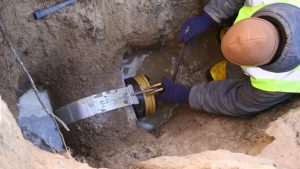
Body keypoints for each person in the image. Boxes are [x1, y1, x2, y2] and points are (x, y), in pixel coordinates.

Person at [160, 0, 300, 116]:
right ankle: (233, 41)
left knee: (232, 76)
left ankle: (230, 70)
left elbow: (236, 100)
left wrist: (188, 95)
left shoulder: (280, 83)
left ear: (260, 65)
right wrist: (209, 16)